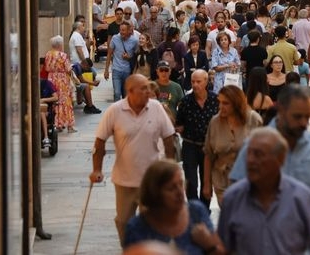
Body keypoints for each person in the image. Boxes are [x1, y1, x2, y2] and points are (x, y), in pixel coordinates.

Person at [229, 85, 310, 251]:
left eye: (307, 117)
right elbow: (236, 193)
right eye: (297, 117)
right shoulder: (255, 145)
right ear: (281, 111)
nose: (303, 123)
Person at [90, 74, 176, 245]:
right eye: (143, 89)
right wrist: (97, 169)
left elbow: (168, 138)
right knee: (123, 221)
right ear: (130, 91)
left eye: (148, 87)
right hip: (124, 180)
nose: (147, 91)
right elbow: (100, 142)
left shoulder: (156, 107)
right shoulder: (115, 110)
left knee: (153, 222)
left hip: (151, 180)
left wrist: (169, 168)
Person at [219, 128, 310, 254]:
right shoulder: (232, 198)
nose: (250, 160)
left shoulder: (303, 198)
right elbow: (224, 248)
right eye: (248, 154)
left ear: (280, 159)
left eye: (258, 154)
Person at [123, 160, 224, 254]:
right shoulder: (137, 228)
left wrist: (209, 244)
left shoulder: (196, 211)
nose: (180, 192)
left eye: (181, 184)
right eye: (171, 188)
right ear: (155, 193)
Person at [202, 85, 262, 205]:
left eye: (225, 103)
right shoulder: (215, 122)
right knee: (229, 213)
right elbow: (208, 154)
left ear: (236, 104)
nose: (220, 107)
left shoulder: (253, 119)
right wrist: (207, 184)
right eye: (219, 102)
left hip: (247, 180)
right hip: (222, 180)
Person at [175, 70, 218, 208]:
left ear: (206, 81)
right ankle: (194, 210)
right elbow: (179, 123)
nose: (195, 85)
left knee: (207, 181)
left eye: (198, 82)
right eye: (193, 81)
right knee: (191, 182)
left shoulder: (216, 100)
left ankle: (204, 210)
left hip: (209, 147)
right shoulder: (185, 101)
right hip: (190, 145)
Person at [44, 35, 77, 132]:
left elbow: (46, 68)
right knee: (65, 101)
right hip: (62, 80)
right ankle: (69, 125)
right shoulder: (63, 55)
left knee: (55, 102)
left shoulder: (48, 54)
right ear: (59, 45)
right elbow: (68, 68)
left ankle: (57, 124)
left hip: (51, 78)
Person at [106, 22, 139, 102]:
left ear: (128, 31)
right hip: (116, 69)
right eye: (120, 30)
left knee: (126, 95)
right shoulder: (115, 38)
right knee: (117, 93)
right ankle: (116, 109)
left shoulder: (135, 41)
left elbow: (137, 57)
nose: (121, 32)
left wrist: (129, 57)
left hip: (127, 71)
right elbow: (109, 54)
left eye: (123, 30)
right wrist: (106, 70)